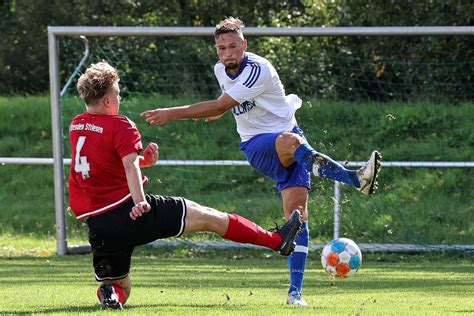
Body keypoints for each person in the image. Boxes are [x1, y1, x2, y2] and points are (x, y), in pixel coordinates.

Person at [141, 17, 382, 306]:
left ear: (244, 45)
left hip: (290, 139)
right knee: (291, 143)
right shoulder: (221, 69)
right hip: (258, 145)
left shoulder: (259, 69)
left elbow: (222, 103)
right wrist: (217, 110)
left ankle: (295, 295)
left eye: (232, 46)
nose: (227, 53)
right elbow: (225, 101)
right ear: (216, 50)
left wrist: (174, 112)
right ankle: (355, 179)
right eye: (221, 48)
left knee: (297, 218)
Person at [68, 61, 303, 310]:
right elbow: (129, 167)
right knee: (211, 218)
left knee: (121, 285)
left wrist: (143, 160)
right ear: (107, 101)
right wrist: (140, 202)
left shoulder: (77, 125)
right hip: (131, 210)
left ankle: (109, 293)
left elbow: (103, 162)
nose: (119, 99)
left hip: (99, 224)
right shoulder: (120, 124)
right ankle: (277, 241)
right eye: (117, 94)